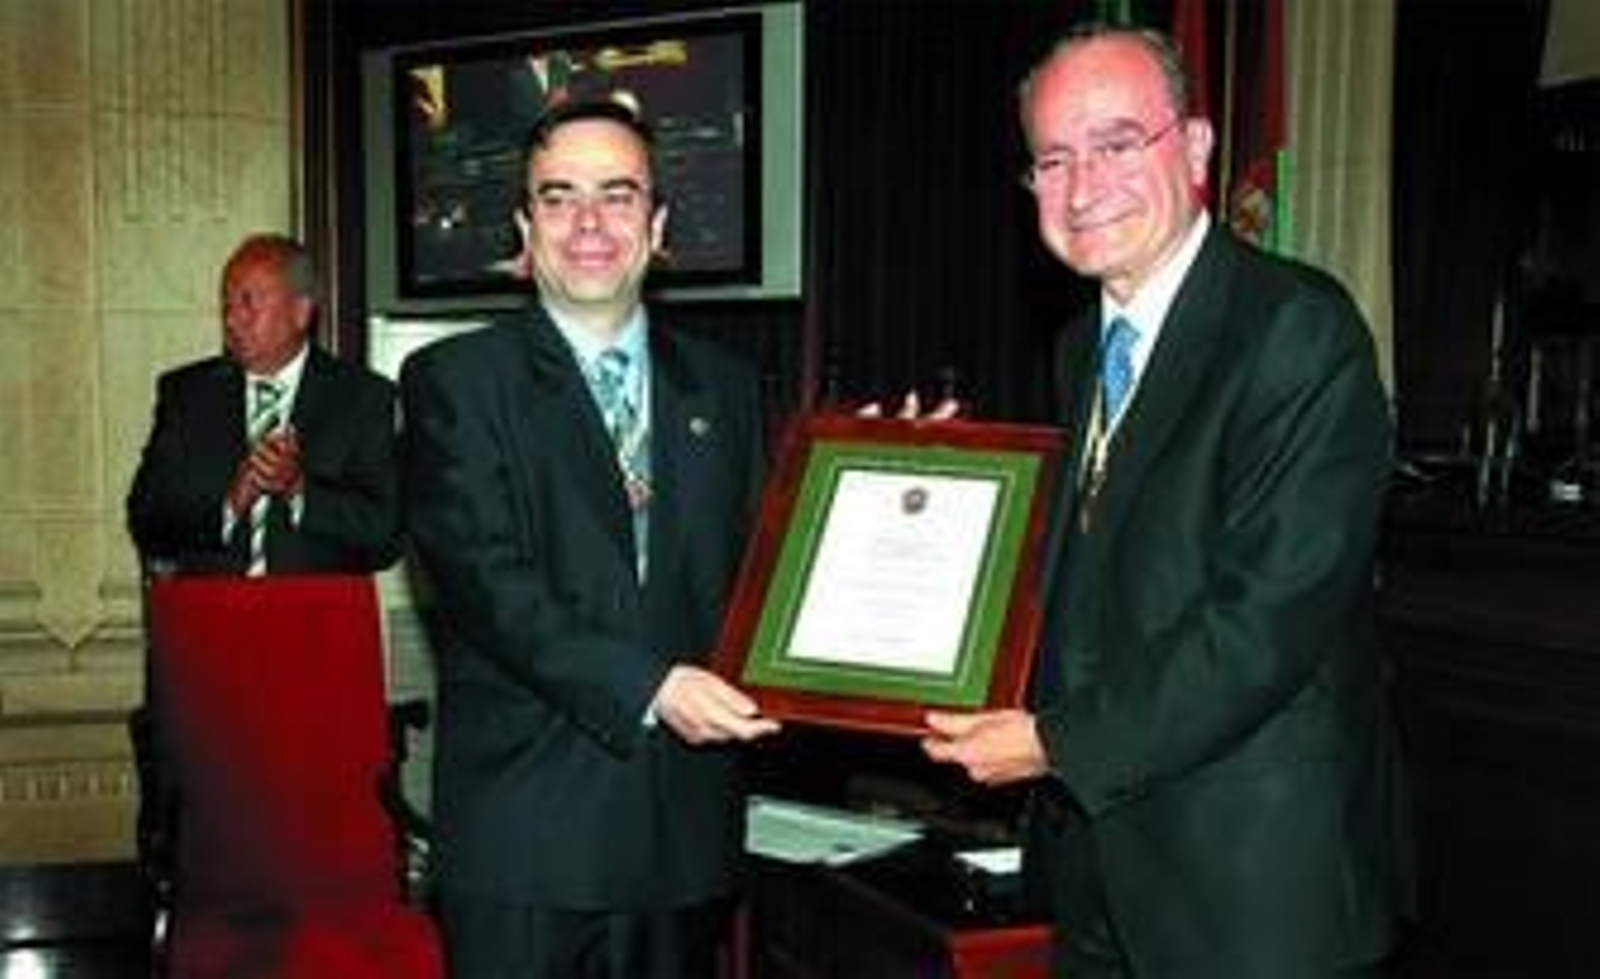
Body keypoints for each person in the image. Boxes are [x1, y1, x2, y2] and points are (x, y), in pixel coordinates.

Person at [920, 25, 1413, 978]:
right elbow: (1095, 576)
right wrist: (928, 475)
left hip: (1251, 889)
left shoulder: (1296, 332)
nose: (1083, 184)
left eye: (1115, 144)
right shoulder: (1081, 350)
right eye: (1053, 159)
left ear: (1194, 148)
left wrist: (1055, 743)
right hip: (1101, 868)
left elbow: (1261, 626)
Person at [398, 99, 779, 978]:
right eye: (560, 198)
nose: (589, 224)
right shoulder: (454, 382)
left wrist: (878, 485)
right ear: (526, 228)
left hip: (682, 837)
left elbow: (763, 571)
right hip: (527, 842)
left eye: (617, 195)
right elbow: (488, 587)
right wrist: (652, 685)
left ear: (658, 224)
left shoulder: (723, 390)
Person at [127, 232, 402, 576]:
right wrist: (229, 504)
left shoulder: (364, 398)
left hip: (316, 621)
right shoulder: (186, 395)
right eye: (226, 305)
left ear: (301, 312)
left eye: (248, 303)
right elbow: (146, 520)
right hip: (212, 618)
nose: (231, 320)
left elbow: (385, 536)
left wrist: (300, 491)